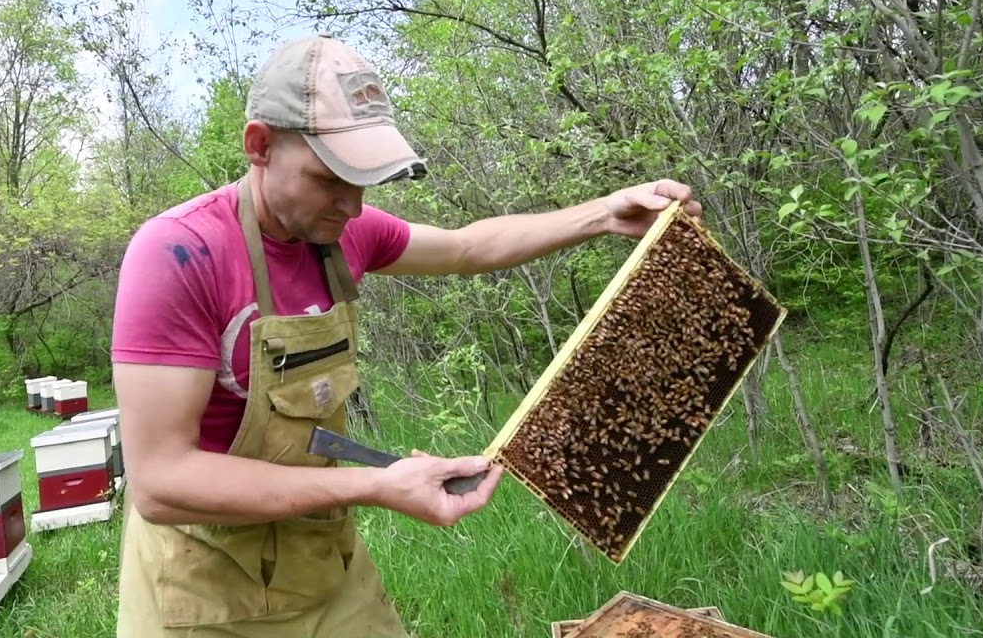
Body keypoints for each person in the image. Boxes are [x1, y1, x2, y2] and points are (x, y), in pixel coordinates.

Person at [110, 33, 702, 638]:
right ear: (260, 145)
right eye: (331, 176)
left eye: (365, 178)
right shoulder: (180, 254)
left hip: (322, 560)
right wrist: (377, 486)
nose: (352, 202)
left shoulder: (345, 230)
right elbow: (162, 481)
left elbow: (470, 246)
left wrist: (604, 213)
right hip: (203, 586)